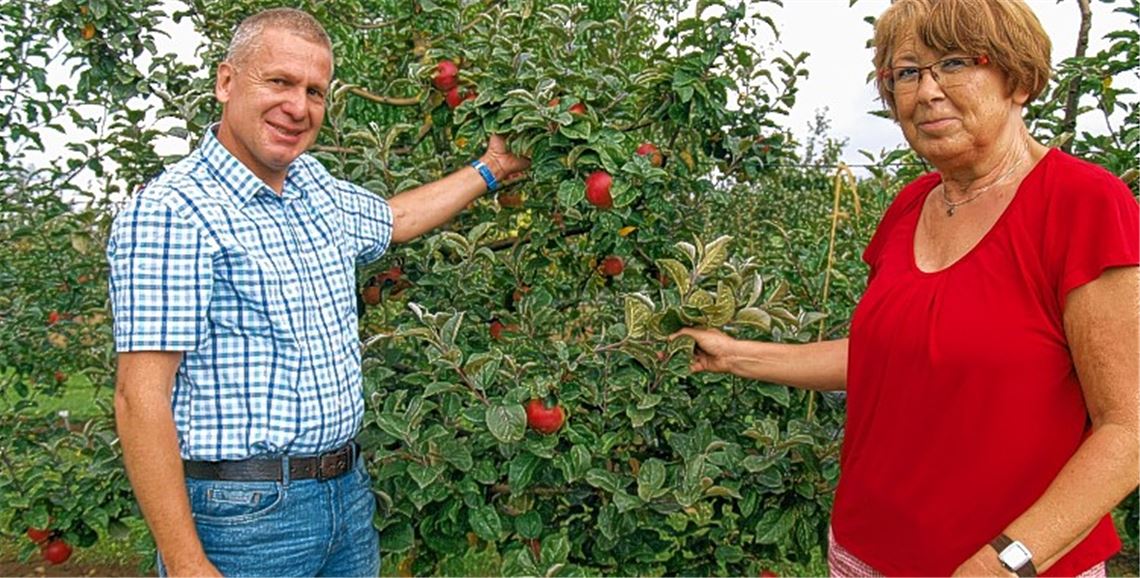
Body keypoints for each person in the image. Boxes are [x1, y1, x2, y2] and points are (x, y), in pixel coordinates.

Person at [675, 0, 1138, 576]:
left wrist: (1006, 561)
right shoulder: (909, 207)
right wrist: (735, 355)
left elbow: (1128, 428)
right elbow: (889, 357)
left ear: (1018, 79)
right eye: (908, 73)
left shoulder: (1082, 205)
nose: (927, 91)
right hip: (863, 553)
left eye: (955, 63)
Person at [107, 8, 528, 577]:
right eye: (278, 81)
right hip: (245, 517)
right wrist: (185, 563)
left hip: (345, 497)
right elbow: (140, 398)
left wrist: (492, 167)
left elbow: (396, 218)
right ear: (226, 81)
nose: (298, 107)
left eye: (315, 92)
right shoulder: (174, 212)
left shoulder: (313, 187)